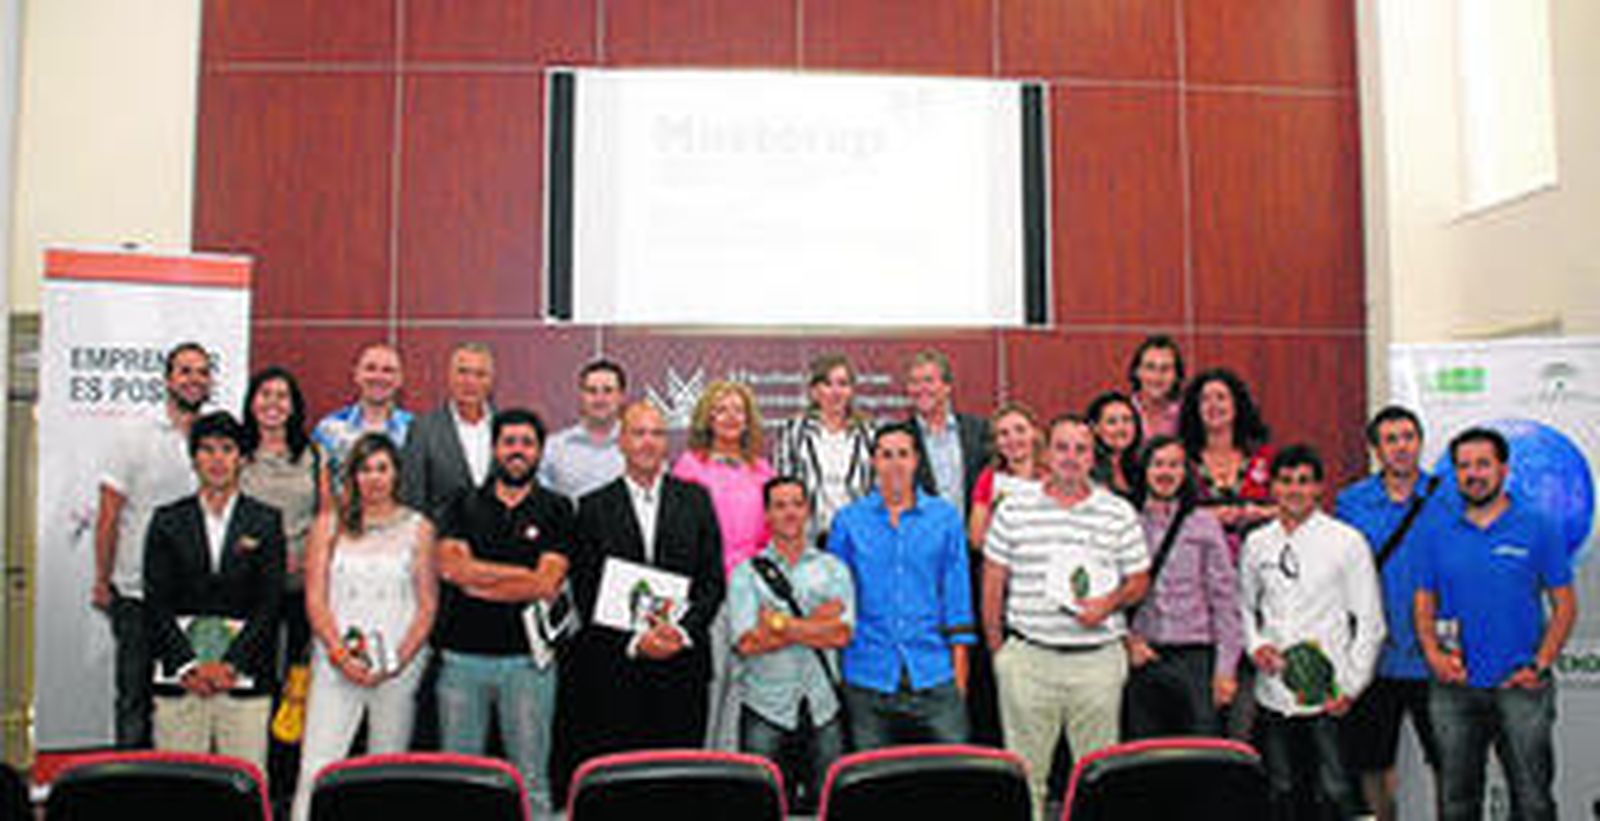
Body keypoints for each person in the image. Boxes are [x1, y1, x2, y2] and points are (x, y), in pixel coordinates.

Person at [983, 415, 1150, 818]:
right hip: (1028, 660)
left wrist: (1108, 603)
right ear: (1047, 453)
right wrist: (999, 653)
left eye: (1081, 449)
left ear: (1093, 457)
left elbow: (1139, 581)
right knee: (1026, 780)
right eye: (1062, 447)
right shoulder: (1013, 509)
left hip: (1097, 663)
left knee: (1097, 778)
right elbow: (992, 583)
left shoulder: (1117, 512)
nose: (1071, 457)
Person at [1414, 428, 1576, 821]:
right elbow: (1423, 600)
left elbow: (1565, 606)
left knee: (1533, 802)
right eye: (1464, 466)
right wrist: (1433, 655)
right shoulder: (1436, 529)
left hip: (1520, 686)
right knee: (1456, 803)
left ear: (1503, 469)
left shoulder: (1539, 525)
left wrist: (1539, 664)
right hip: (1453, 686)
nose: (1473, 474)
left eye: (1483, 464)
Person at [562, 401, 726, 768]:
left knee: (679, 772)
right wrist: (637, 640)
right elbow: (586, 590)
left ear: (667, 442)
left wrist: (679, 632)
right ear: (621, 441)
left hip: (683, 664)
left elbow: (712, 581)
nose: (648, 442)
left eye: (657, 433)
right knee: (624, 777)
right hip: (617, 666)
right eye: (638, 433)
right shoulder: (592, 507)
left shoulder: (696, 500)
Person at [434, 409, 575, 814]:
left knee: (531, 781)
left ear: (539, 452)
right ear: (495, 448)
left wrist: (479, 579)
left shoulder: (557, 508)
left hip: (528, 663)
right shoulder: (461, 502)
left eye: (527, 443)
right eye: (509, 442)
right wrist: (522, 577)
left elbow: (547, 584)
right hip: (461, 660)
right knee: (460, 780)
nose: (518, 451)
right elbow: (452, 569)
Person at [291, 434, 437, 821]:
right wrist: (340, 655)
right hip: (335, 663)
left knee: (386, 769)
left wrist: (395, 662)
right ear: (353, 476)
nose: (374, 478)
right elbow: (315, 599)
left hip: (398, 668)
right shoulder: (328, 525)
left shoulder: (419, 527)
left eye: (382, 469)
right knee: (317, 765)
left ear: (396, 474)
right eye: (365, 469)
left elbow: (427, 605)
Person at [1238, 445, 1384, 821]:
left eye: (1304, 481)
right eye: (1286, 481)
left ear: (1319, 488)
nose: (1295, 490)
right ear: (1273, 487)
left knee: (1338, 790)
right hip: (1274, 693)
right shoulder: (1256, 544)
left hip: (1330, 695)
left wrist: (1351, 686)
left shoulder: (1347, 541)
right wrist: (1256, 646)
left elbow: (1370, 622)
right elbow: (1245, 608)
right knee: (1281, 789)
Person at [143, 411, 286, 769]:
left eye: (226, 449)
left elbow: (270, 603)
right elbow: (156, 601)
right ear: (194, 459)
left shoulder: (266, 521)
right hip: (180, 678)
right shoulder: (167, 521)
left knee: (244, 782)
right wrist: (189, 665)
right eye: (207, 449)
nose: (217, 459)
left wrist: (231, 665)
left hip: (244, 678)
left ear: (242, 458)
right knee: (180, 780)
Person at [95, 341, 214, 747]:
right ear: (167, 380)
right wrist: (102, 580)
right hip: (137, 592)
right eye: (185, 371)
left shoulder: (218, 437)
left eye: (202, 372)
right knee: (135, 696)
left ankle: (177, 779)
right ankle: (130, 780)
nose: (194, 379)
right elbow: (109, 515)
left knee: (187, 702)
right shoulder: (134, 435)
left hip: (196, 595)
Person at [829, 422, 974, 748]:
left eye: (903, 454)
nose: (895, 464)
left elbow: (957, 599)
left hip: (934, 672)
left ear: (916, 460)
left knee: (954, 771)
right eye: (886, 455)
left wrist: (959, 680)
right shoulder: (848, 521)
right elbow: (837, 602)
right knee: (871, 776)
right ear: (873, 462)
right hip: (867, 674)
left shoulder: (945, 518)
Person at [1333, 406, 1444, 821]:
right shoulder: (1352, 502)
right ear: (1376, 450)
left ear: (1420, 442)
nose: (1401, 447)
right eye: (1391, 439)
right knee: (1372, 762)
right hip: (1374, 657)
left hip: (1435, 657)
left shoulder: (1447, 497)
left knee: (1449, 761)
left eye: (1409, 437)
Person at [729, 477, 854, 813]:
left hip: (823, 707)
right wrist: (817, 622)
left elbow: (841, 635)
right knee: (760, 805)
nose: (790, 513)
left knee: (829, 807)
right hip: (765, 708)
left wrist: (779, 623)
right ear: (767, 515)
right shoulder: (745, 574)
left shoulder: (834, 569)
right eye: (780, 505)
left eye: (797, 504)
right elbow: (747, 642)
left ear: (808, 511)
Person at [239, 366, 333, 806]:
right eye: (265, 394)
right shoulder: (237, 452)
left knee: (297, 686)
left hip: (300, 587)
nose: (273, 403)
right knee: (254, 683)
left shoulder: (313, 454)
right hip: (248, 588)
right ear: (252, 402)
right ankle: (253, 780)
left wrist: (310, 555)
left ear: (294, 406)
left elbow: (326, 516)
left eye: (282, 396)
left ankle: (288, 785)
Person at [672, 380, 775, 748]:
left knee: (743, 685)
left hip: (751, 592)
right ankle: (704, 764)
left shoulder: (762, 469)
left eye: (738, 410)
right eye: (721, 410)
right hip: (707, 592)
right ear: (707, 418)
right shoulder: (689, 466)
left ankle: (730, 765)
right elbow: (680, 533)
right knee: (712, 681)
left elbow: (770, 534)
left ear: (748, 419)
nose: (730, 417)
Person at [1122, 435, 1242, 739]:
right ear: (1145, 470)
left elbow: (1225, 599)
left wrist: (1226, 670)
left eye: (1174, 465)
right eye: (1158, 464)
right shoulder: (1126, 522)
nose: (1166, 473)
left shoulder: (1203, 523)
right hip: (1143, 656)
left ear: (1185, 472)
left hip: (1196, 658)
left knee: (1200, 754)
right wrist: (1127, 641)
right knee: (1145, 756)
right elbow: (1110, 590)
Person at [963, 401, 1044, 747]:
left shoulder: (1054, 476)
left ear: (1035, 433)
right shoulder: (989, 480)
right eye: (1003, 434)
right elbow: (976, 536)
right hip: (1002, 593)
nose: (1013, 440)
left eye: (1019, 430)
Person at [771, 353, 876, 540]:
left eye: (843, 384)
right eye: (827, 384)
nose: (836, 392)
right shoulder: (793, 433)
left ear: (851, 391)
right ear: (814, 391)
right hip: (807, 538)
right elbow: (783, 489)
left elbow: (877, 489)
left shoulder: (869, 434)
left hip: (859, 537)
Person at [1179, 367, 1277, 554]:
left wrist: (1259, 513)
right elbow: (1164, 516)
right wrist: (1206, 517)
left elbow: (1293, 507)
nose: (1213, 405)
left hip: (1261, 557)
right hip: (1197, 558)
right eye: (1205, 399)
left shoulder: (1264, 457)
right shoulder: (1182, 461)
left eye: (1221, 398)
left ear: (1237, 405)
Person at [401, 342, 495, 523]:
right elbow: (412, 499)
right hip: (441, 537)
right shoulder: (423, 429)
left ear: (491, 381)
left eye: (480, 374)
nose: (470, 381)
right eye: (463, 372)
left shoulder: (505, 428)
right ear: (449, 377)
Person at [904, 349, 990, 517]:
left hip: (970, 531)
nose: (921, 389)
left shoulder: (978, 430)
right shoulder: (901, 436)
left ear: (947, 386)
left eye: (928, 381)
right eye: (914, 382)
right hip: (922, 531)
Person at [311, 343, 413, 479]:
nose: (378, 377)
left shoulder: (414, 430)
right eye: (370, 368)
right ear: (356, 375)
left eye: (388, 370)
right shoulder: (328, 429)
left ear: (399, 379)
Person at [538, 358, 627, 503]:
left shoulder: (640, 447)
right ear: (581, 396)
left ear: (621, 396)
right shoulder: (554, 449)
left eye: (608, 391)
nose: (599, 399)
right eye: (592, 391)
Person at [1086, 391, 1143, 499]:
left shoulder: (1140, 466)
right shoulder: (1085, 468)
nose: (1121, 428)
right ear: (1095, 428)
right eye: (1112, 422)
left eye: (1127, 420)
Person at [1127, 335, 1185, 438]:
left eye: (1165, 368)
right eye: (1150, 367)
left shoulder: (1187, 414)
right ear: (1137, 372)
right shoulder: (1123, 411)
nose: (1157, 376)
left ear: (1176, 376)